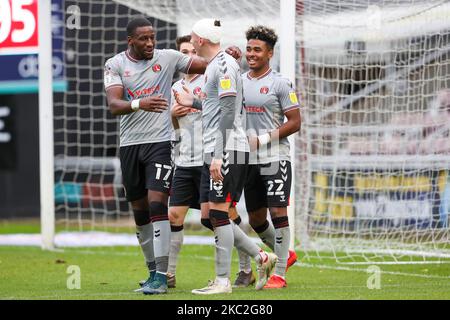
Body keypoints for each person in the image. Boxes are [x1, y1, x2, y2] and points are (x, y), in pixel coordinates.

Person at [104, 17, 220, 295]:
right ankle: (151, 271)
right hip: (131, 144)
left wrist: (226, 54)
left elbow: (207, 64)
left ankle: (162, 275)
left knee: (158, 206)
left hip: (160, 141)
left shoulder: (168, 58)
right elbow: (114, 104)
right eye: (143, 39)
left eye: (152, 37)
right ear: (130, 40)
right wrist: (139, 103)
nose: (150, 43)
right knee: (140, 212)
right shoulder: (115, 64)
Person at [173, 19, 277, 295]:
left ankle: (223, 280)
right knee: (209, 216)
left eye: (194, 38)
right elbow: (215, 106)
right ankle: (261, 257)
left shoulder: (223, 65)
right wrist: (192, 103)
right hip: (217, 149)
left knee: (219, 213)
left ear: (202, 40)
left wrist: (219, 155)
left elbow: (229, 112)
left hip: (227, 149)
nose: (191, 42)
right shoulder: (213, 66)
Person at [167, 35, 256, 289]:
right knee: (179, 215)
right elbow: (176, 129)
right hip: (187, 159)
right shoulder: (175, 88)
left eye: (191, 51)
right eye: (184, 53)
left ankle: (246, 267)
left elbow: (228, 110)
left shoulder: (215, 74)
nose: (189, 57)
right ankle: (169, 275)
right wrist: (173, 115)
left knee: (220, 214)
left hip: (216, 154)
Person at [242, 25, 301, 288]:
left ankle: (279, 274)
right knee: (256, 219)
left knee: (278, 211)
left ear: (269, 54)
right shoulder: (240, 81)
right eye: (249, 49)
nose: (251, 54)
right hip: (248, 160)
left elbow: (295, 122)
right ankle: (285, 254)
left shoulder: (281, 83)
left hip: (275, 156)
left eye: (257, 50)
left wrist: (263, 139)